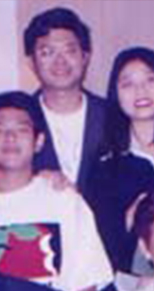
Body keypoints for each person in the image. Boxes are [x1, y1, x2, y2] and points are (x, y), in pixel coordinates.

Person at [0, 91, 112, 291]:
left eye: (21, 130)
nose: (10, 138)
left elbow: (85, 282)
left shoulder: (64, 200)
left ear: (39, 141)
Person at [87, 46, 154, 274]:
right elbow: (99, 248)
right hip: (134, 284)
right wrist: (128, 222)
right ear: (116, 95)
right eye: (127, 84)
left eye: (150, 79)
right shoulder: (105, 168)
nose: (140, 90)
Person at [23, 6, 106, 196]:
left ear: (85, 57)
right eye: (47, 52)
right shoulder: (19, 119)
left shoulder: (113, 115)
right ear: (31, 62)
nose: (60, 61)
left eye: (70, 51)